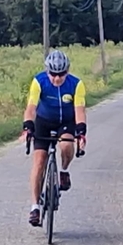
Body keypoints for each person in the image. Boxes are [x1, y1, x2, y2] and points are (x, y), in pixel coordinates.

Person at [21, 49, 86, 227]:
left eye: (61, 74)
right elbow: (31, 107)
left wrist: (81, 132)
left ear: (67, 71)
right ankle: (35, 207)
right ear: (47, 71)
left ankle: (63, 171)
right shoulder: (39, 81)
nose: (57, 78)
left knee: (66, 145)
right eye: (53, 74)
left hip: (65, 122)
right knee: (39, 162)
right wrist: (28, 126)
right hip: (44, 122)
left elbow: (79, 110)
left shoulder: (76, 84)